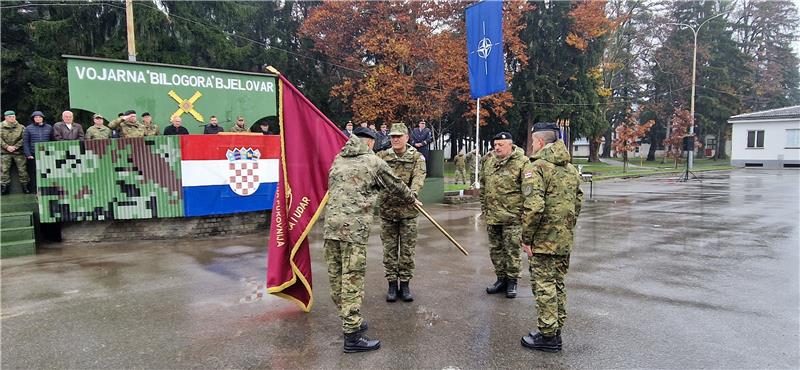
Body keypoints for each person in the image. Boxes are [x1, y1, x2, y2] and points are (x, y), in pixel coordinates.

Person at [323, 127, 419, 353]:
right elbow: (395, 184)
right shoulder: (372, 161)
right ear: (369, 143)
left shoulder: (338, 159)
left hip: (330, 229)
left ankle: (350, 322)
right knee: (352, 281)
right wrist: (412, 199)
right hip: (353, 231)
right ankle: (352, 337)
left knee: (337, 279)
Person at [520, 123, 583, 353]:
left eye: (532, 141)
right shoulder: (570, 169)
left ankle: (548, 338)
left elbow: (534, 207)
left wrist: (527, 239)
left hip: (543, 241)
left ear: (538, 142)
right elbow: (577, 202)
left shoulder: (536, 168)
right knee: (557, 284)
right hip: (563, 239)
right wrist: (566, 228)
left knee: (544, 285)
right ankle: (554, 328)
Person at [377, 122, 426, 302]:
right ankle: (391, 285)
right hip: (388, 211)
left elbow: (419, 178)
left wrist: (411, 195)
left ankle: (404, 285)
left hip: (408, 212)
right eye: (393, 136)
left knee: (406, 251)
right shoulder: (381, 157)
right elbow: (376, 179)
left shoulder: (417, 157)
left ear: (407, 137)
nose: (395, 139)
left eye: (399, 136)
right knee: (389, 251)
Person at [479, 132, 529, 299]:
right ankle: (501, 279)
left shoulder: (522, 162)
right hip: (493, 216)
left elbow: (528, 191)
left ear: (510, 145)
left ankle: (512, 282)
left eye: (500, 145)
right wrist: (485, 209)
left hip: (513, 218)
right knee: (496, 250)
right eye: (495, 145)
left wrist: (524, 214)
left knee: (512, 251)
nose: (496, 148)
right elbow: (484, 186)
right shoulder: (489, 161)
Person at [23, 111, 54, 190]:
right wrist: (28, 154)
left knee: (48, 171)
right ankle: (35, 189)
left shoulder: (49, 127)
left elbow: (52, 140)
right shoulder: (28, 128)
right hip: (33, 154)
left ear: (43, 118)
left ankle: (48, 187)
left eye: (40, 117)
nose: (38, 118)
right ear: (33, 119)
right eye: (36, 117)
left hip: (47, 154)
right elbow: (25, 142)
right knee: (34, 173)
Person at [1, 110, 30, 194]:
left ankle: (25, 186)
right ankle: (4, 187)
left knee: (23, 169)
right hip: (4, 152)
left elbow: (24, 138)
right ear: (5, 117)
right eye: (10, 117)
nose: (12, 118)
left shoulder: (21, 127)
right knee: (4, 170)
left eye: (13, 116)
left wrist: (15, 147)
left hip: (18, 152)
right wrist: (7, 147)